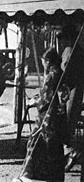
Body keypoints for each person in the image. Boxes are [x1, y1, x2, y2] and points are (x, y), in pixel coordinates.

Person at [17, 48, 69, 181]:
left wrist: (36, 102)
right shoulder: (60, 73)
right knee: (54, 147)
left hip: (48, 117)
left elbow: (46, 99)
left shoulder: (51, 75)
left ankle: (38, 173)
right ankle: (55, 175)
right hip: (58, 116)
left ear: (47, 61)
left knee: (40, 145)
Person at [57, 25, 84, 171]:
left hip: (71, 88)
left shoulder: (69, 50)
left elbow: (65, 70)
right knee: (70, 121)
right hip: (77, 89)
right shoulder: (79, 50)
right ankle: (69, 153)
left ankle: (70, 152)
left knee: (64, 123)